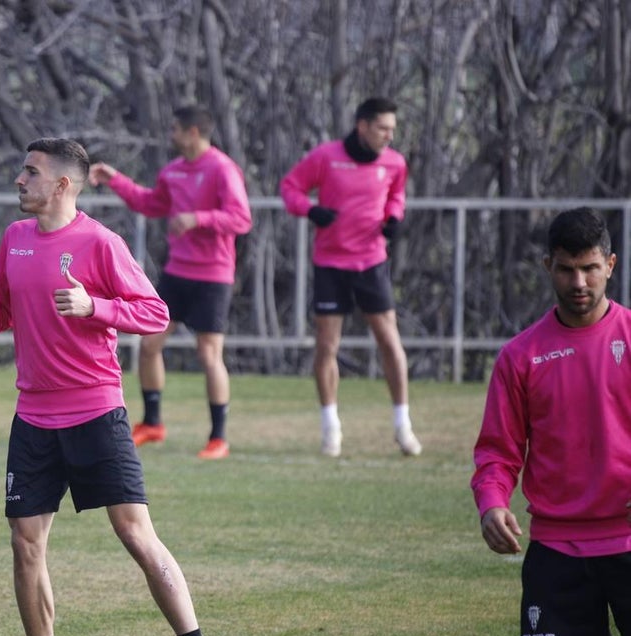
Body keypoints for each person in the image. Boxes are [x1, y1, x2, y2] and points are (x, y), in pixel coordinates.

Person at [0, 137, 227, 636]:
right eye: (22, 170)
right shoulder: (16, 240)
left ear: (63, 185)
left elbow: (154, 313)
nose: (20, 180)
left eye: (31, 172)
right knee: (25, 544)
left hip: (96, 413)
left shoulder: (100, 242)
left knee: (137, 536)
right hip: (33, 419)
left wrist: (96, 307)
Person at [471, 207, 630, 636]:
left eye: (590, 268)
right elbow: (497, 450)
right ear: (548, 267)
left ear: (610, 264)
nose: (579, 283)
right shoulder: (522, 355)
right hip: (559, 544)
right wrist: (492, 503)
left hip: (629, 537)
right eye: (566, 270)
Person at [89, 105, 253, 460]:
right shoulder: (174, 171)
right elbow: (150, 203)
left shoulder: (223, 169)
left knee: (209, 354)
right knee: (149, 345)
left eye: (176, 129)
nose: (171, 136)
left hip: (213, 275)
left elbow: (241, 218)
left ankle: (218, 437)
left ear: (193, 132)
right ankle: (153, 423)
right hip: (177, 272)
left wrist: (198, 218)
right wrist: (115, 179)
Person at [279, 97, 422, 458]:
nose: (390, 135)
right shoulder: (327, 156)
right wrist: (311, 210)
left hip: (372, 263)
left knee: (389, 340)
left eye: (393, 128)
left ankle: (403, 425)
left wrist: (394, 215)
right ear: (363, 126)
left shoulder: (394, 162)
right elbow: (290, 187)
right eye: (383, 128)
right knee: (327, 346)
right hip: (330, 263)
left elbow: (397, 195)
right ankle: (331, 429)